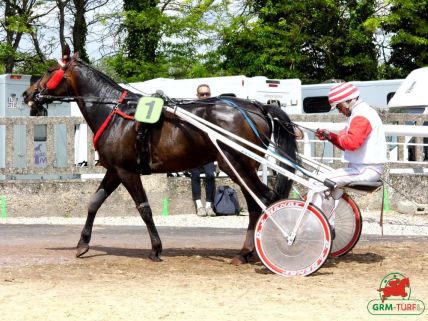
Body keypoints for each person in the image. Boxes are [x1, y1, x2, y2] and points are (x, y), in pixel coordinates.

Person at [313, 82, 387, 229]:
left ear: (348, 101)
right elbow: (347, 143)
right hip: (363, 169)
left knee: (318, 181)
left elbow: (351, 143)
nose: (339, 111)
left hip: (365, 170)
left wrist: (335, 136)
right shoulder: (359, 113)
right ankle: (326, 227)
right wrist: (330, 136)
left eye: (339, 107)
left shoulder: (362, 115)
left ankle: (318, 226)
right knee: (325, 184)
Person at [191, 84, 216, 217]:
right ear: (197, 96)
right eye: (202, 94)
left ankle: (209, 206)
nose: (205, 96)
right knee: (194, 176)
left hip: (209, 150)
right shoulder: (192, 109)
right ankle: (199, 206)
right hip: (194, 150)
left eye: (207, 94)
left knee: (210, 175)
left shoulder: (213, 110)